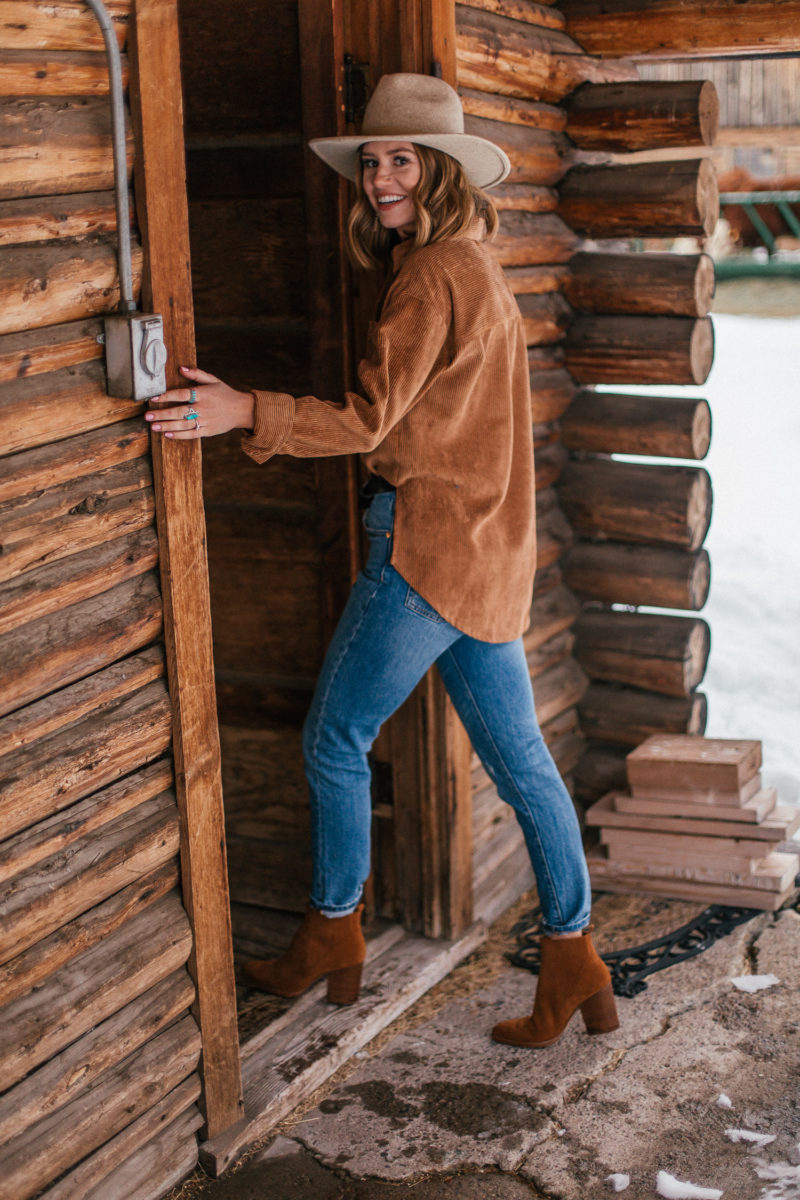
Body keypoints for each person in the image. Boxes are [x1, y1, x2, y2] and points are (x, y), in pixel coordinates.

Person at [146, 73, 619, 1049]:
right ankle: (573, 960)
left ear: (439, 169)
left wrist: (245, 411)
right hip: (481, 556)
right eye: (369, 162)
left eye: (399, 159)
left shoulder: (429, 274)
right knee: (523, 765)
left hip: (421, 551)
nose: (378, 177)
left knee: (331, 740)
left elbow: (369, 421)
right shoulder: (476, 269)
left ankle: (332, 932)